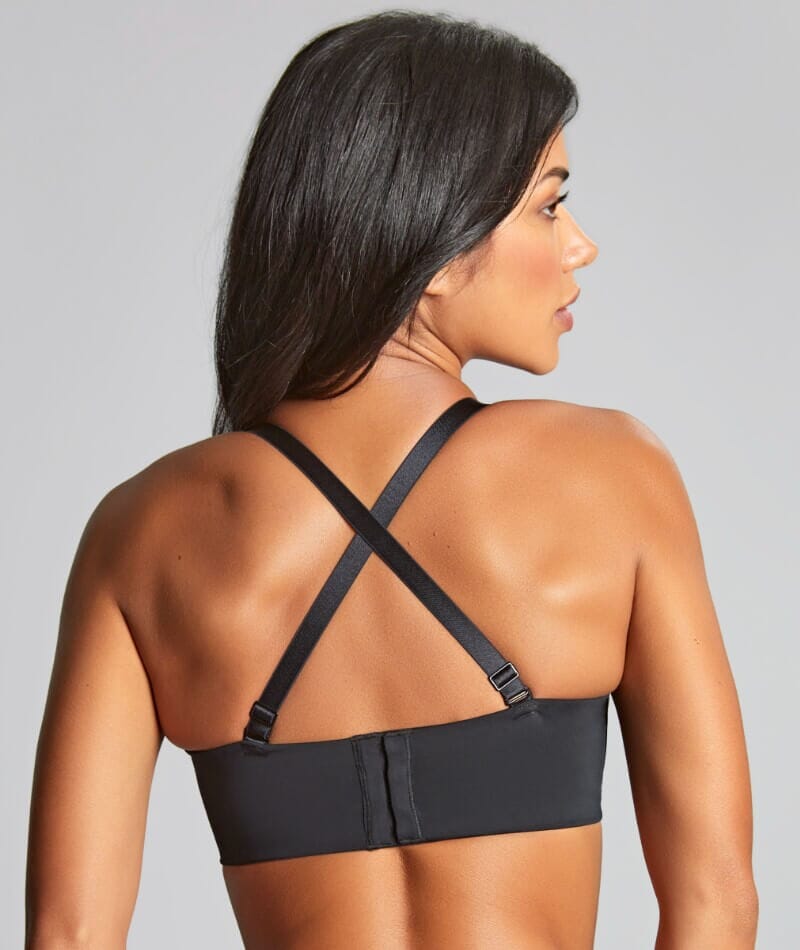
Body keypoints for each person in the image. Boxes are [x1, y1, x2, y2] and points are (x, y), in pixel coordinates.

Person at [25, 9, 758, 949]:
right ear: (438, 244)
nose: (580, 245)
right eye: (549, 205)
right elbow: (715, 903)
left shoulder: (143, 530)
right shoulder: (612, 475)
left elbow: (69, 935)